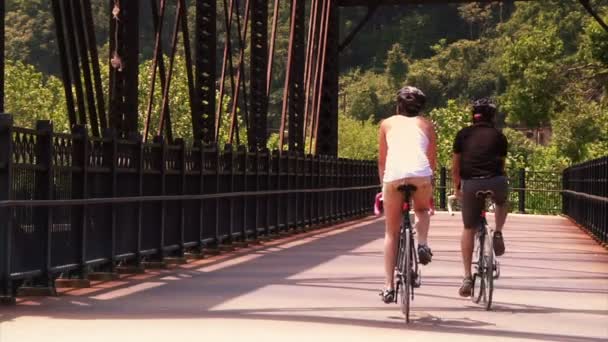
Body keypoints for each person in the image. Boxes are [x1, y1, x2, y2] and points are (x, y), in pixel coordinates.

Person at [377, 86, 437, 303]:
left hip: (393, 177)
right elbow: (431, 160)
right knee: (421, 209)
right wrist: (429, 182)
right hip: (421, 175)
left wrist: (383, 185)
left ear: (398, 105)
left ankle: (388, 287)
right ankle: (421, 243)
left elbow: (382, 161)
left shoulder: (386, 123)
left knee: (391, 232)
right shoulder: (427, 125)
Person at [452, 98, 509, 297]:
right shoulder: (499, 136)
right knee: (502, 201)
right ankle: (499, 231)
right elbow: (501, 166)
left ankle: (467, 276)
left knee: (468, 228)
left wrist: (457, 188)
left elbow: (456, 167)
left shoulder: (463, 135)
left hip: (471, 184)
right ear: (492, 116)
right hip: (495, 181)